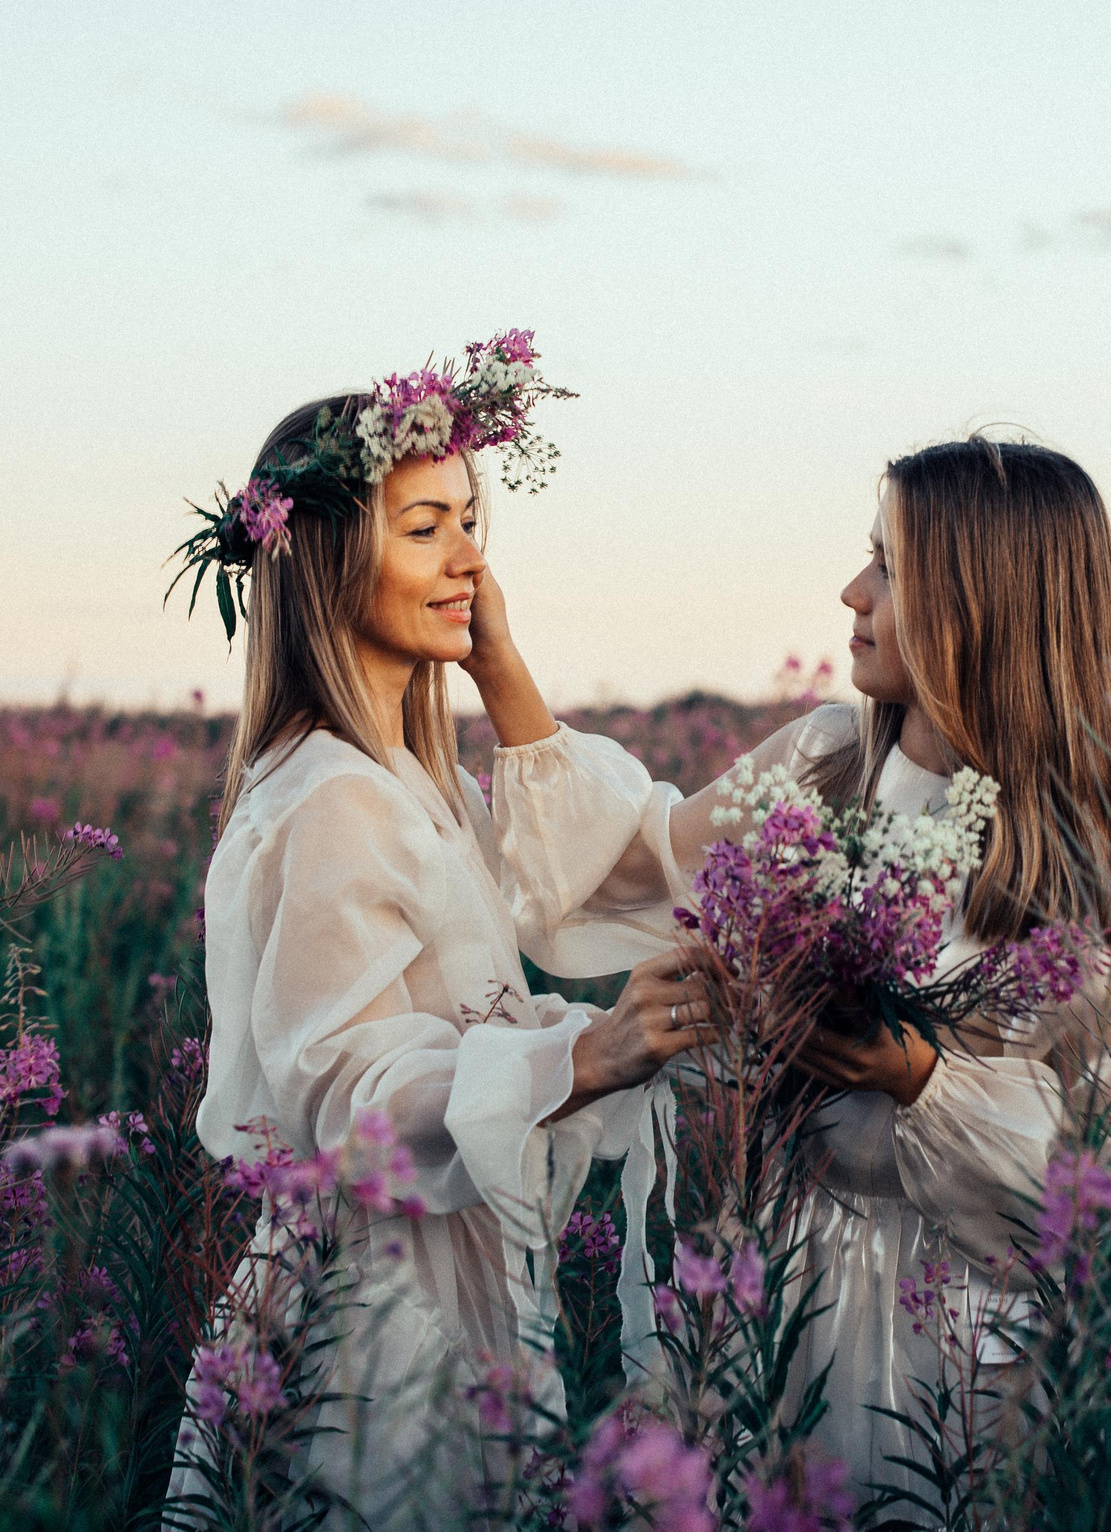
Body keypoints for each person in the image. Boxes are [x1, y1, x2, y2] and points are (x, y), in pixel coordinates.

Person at [488, 434, 1111, 1500]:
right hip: (764, 1299)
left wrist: (916, 1076)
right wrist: (497, 667)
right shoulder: (820, 764)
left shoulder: (1066, 861)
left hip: (944, 1363)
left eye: (890, 565)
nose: (852, 589)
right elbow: (642, 867)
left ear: (979, 604)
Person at [172, 353, 714, 1525]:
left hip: (436, 1273)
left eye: (473, 520)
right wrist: (587, 1056)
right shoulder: (330, 793)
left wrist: (496, 663)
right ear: (326, 558)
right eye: (427, 527)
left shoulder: (412, 777)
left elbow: (576, 885)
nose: (472, 557)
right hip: (373, 1310)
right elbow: (340, 1091)